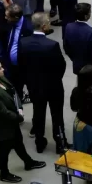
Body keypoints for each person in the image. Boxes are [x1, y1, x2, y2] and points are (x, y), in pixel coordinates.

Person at [0, 57, 44, 182]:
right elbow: (3, 113)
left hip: (12, 121)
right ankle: (4, 173)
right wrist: (19, 117)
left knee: (18, 142)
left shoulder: (1, 79)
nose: (3, 69)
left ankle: (28, 162)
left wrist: (19, 107)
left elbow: (14, 93)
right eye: (0, 68)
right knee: (4, 149)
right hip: (3, 126)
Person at [21, 12, 69, 152]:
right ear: (43, 26)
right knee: (57, 115)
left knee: (38, 113)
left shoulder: (23, 43)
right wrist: (56, 79)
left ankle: (39, 142)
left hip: (34, 86)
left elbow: (22, 65)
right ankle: (60, 143)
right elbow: (61, 65)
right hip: (53, 86)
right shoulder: (52, 45)